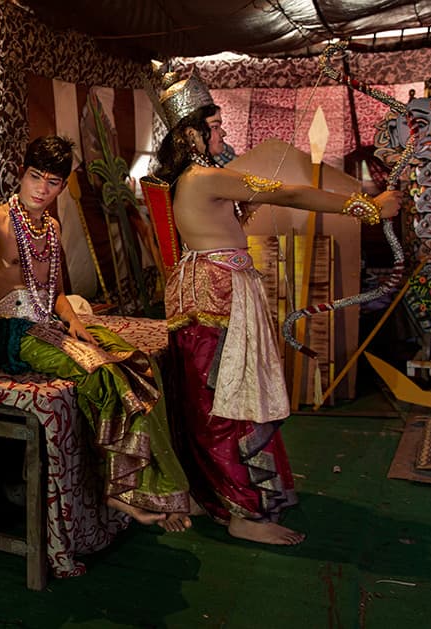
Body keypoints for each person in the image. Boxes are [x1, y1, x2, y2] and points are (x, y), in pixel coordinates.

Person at [150, 69, 402, 545]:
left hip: (213, 291)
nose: (223, 133)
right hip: (216, 296)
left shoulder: (197, 179)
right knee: (225, 405)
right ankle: (241, 511)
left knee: (213, 402)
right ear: (191, 134)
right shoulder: (204, 177)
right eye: (217, 126)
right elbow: (286, 191)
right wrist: (366, 207)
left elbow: (242, 210)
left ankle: (217, 497)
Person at [0, 135, 193, 533]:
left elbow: (58, 293)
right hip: (13, 331)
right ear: (22, 173)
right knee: (103, 374)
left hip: (50, 325)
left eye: (52, 182)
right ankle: (118, 489)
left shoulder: (51, 226)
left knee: (138, 362)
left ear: (62, 185)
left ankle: (157, 488)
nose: (41, 189)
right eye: (35, 177)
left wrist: (75, 321)